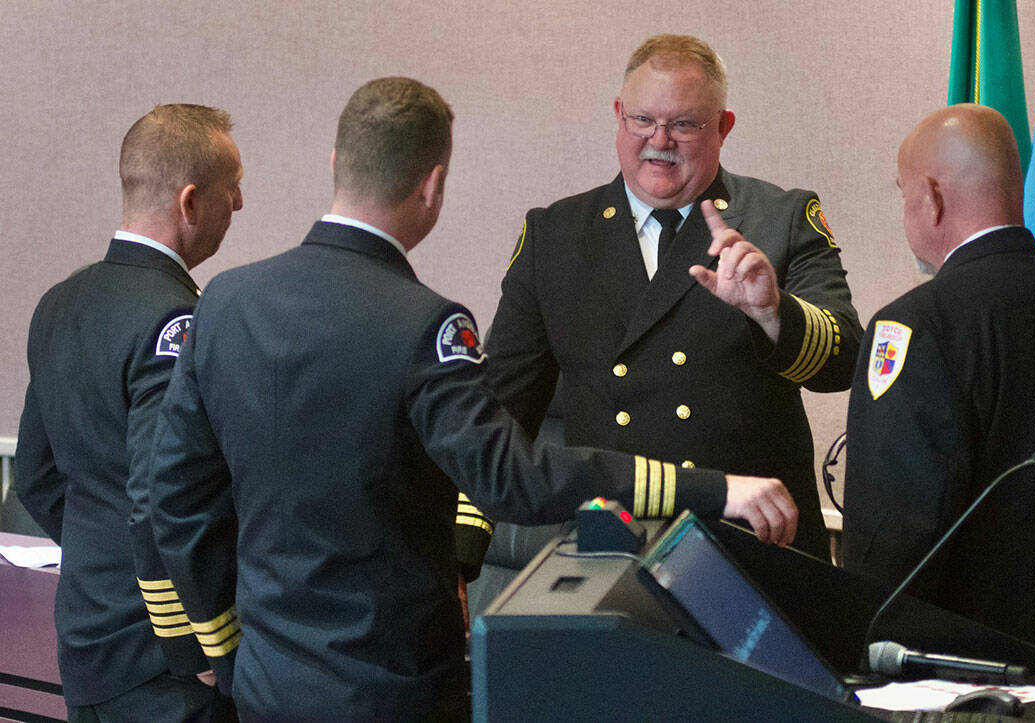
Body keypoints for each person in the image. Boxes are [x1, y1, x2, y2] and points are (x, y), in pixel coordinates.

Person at [145, 77, 797, 721]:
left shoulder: (226, 302)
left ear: (337, 163)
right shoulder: (423, 325)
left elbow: (172, 495)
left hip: (267, 683)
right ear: (432, 185)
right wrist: (714, 489)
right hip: (394, 687)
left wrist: (228, 650)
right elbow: (516, 481)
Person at [479, 33, 860, 566]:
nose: (659, 140)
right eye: (642, 120)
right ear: (618, 114)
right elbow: (501, 410)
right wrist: (460, 556)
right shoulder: (556, 234)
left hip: (754, 541)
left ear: (723, 127)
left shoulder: (781, 217)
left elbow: (843, 362)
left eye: (684, 124)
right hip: (613, 541)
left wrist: (773, 312)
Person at [840, 104, 1035, 717]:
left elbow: (891, 543)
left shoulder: (914, 326)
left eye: (904, 193)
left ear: (931, 197)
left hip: (966, 691)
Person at [14, 104, 242, 721]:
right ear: (190, 201)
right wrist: (199, 640)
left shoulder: (61, 302)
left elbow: (35, 475)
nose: (240, 204)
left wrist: (102, 557)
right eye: (232, 189)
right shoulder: (175, 320)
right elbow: (161, 496)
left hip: (86, 634)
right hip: (165, 658)